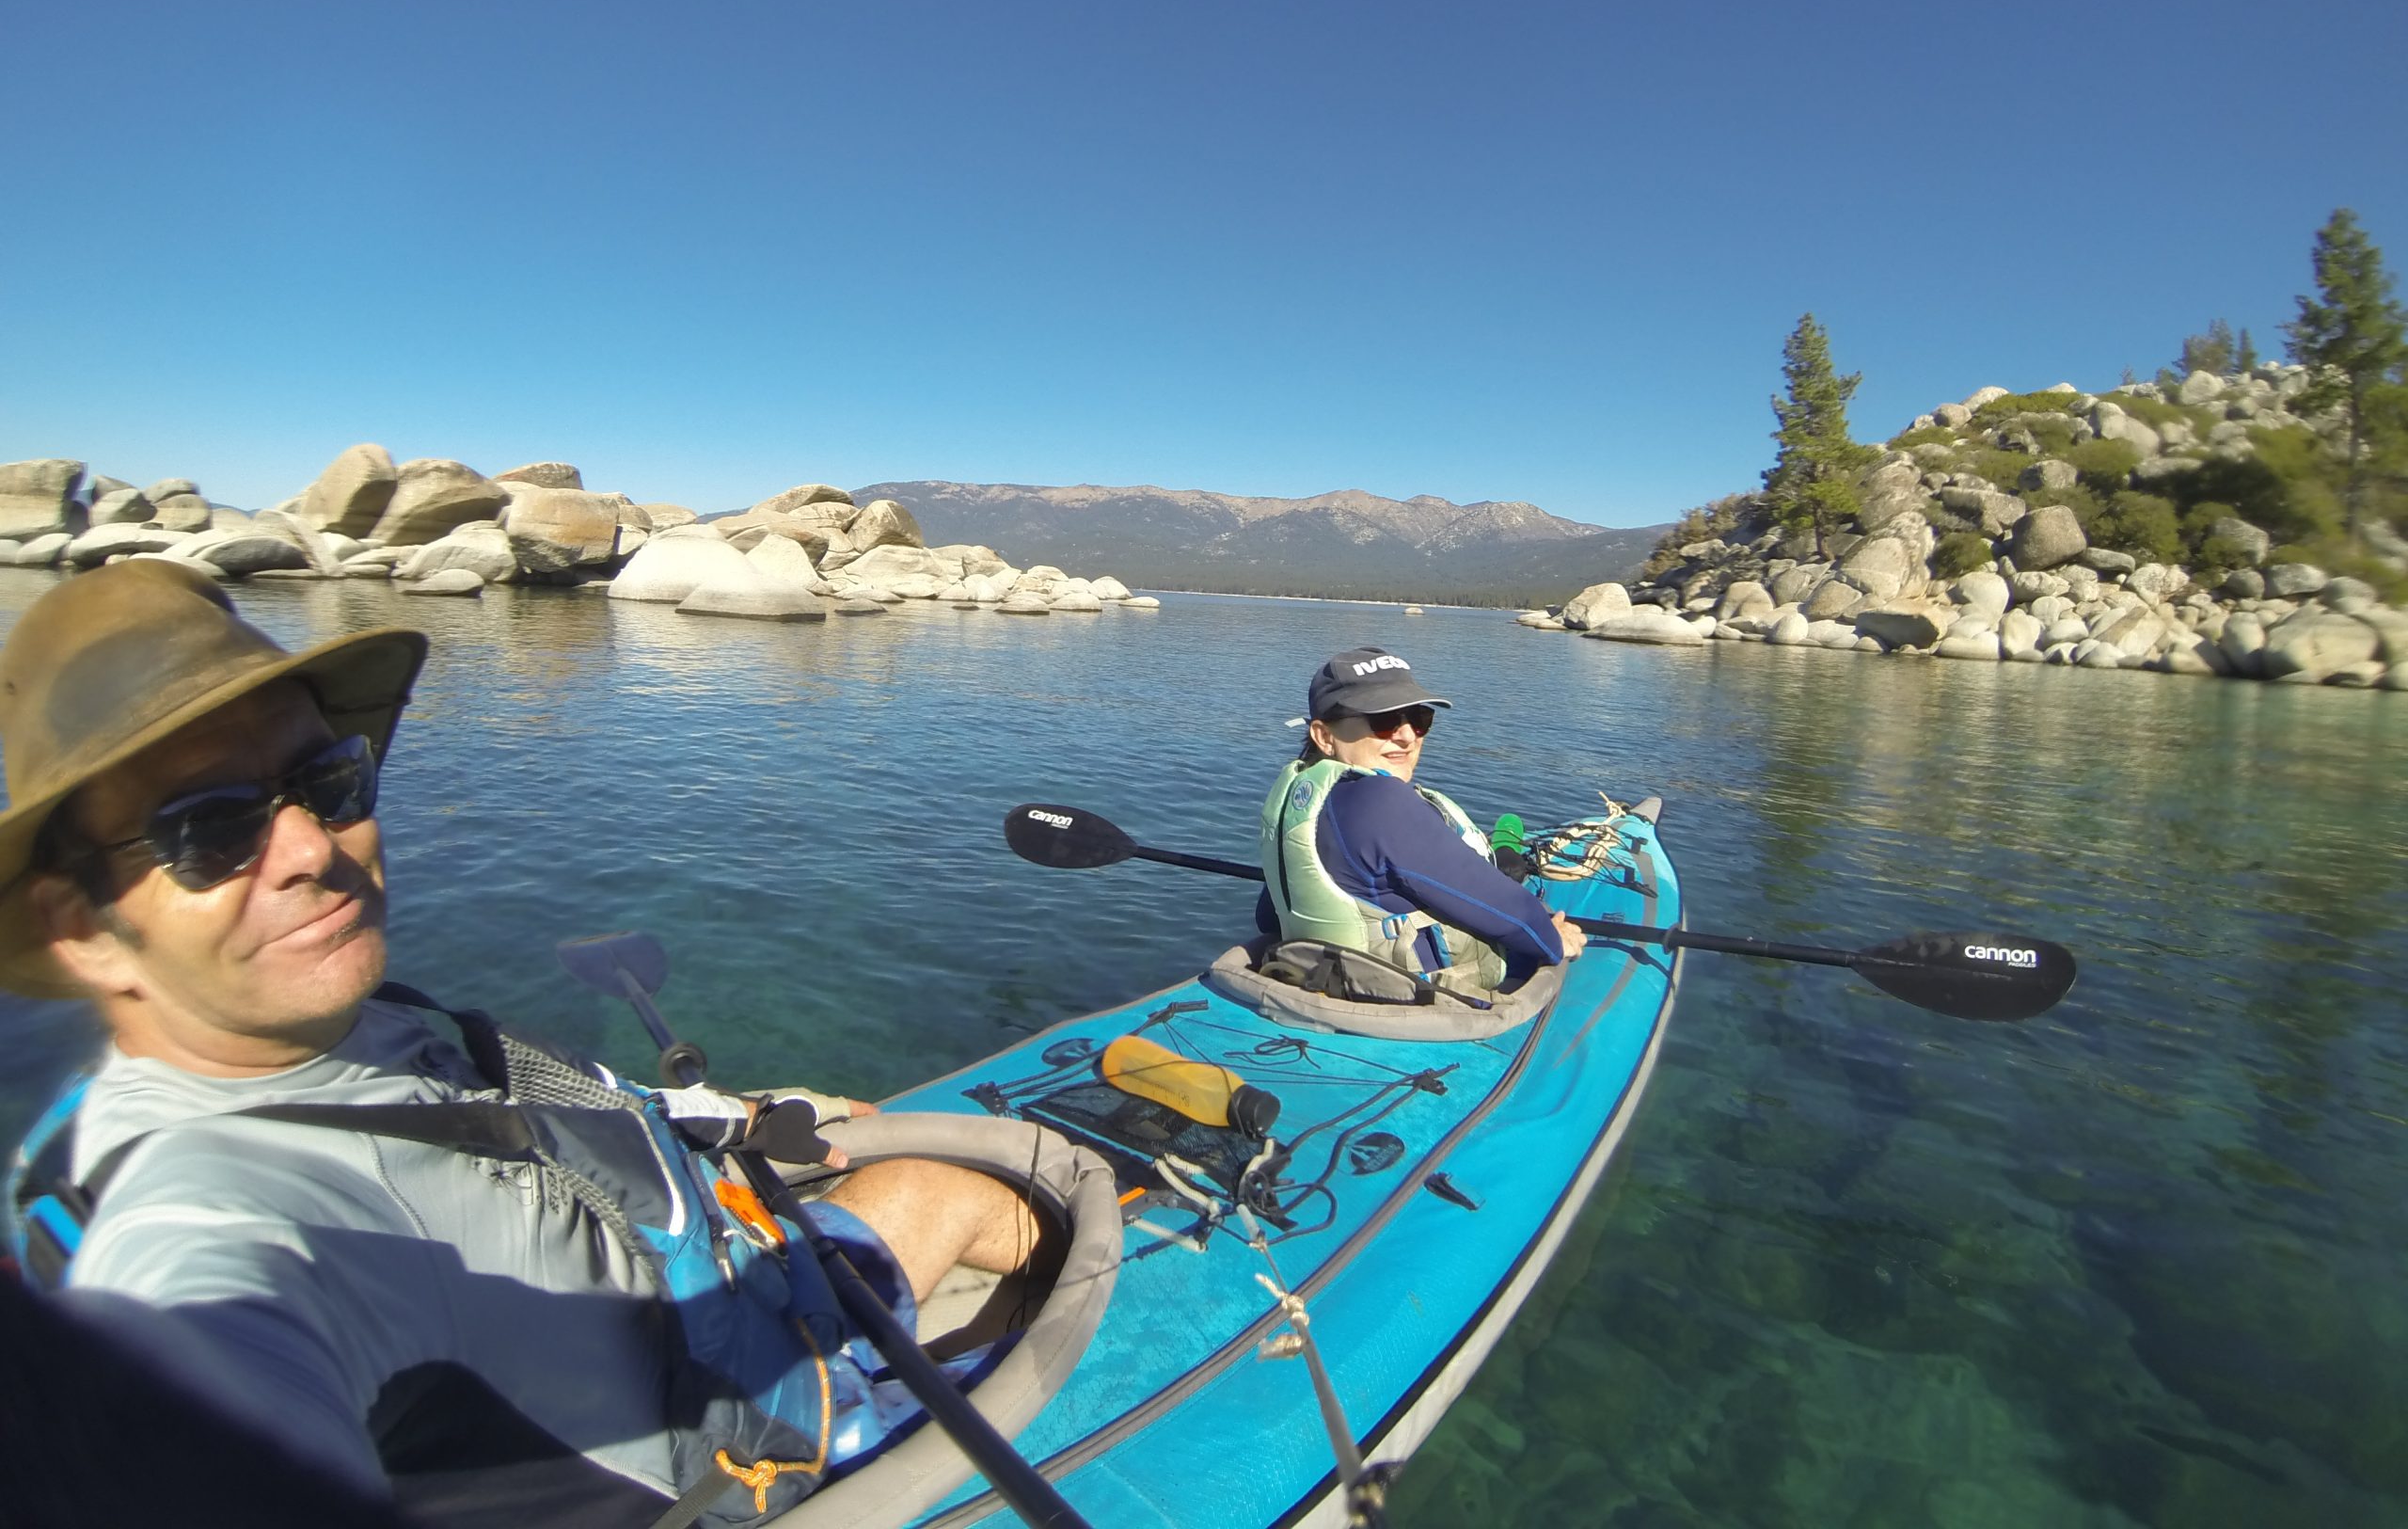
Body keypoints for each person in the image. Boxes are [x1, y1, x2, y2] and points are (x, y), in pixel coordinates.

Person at [0, 560, 1050, 1528]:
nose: (313, 847)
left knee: (923, 1175)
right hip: (759, 1431)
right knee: (996, 1209)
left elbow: (536, 1135)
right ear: (82, 930)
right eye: (209, 827)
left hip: (718, 1271)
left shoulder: (346, 1028)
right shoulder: (202, 1237)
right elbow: (200, 1380)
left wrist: (732, 1115)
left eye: (326, 782)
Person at [1257, 647, 1582, 997]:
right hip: (1414, 998)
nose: (1407, 736)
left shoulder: (1305, 797)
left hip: (1334, 982)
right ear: (1324, 736)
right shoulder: (1379, 799)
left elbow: (1268, 916)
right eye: (1383, 722)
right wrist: (1554, 939)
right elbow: (1512, 912)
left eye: (1418, 718)